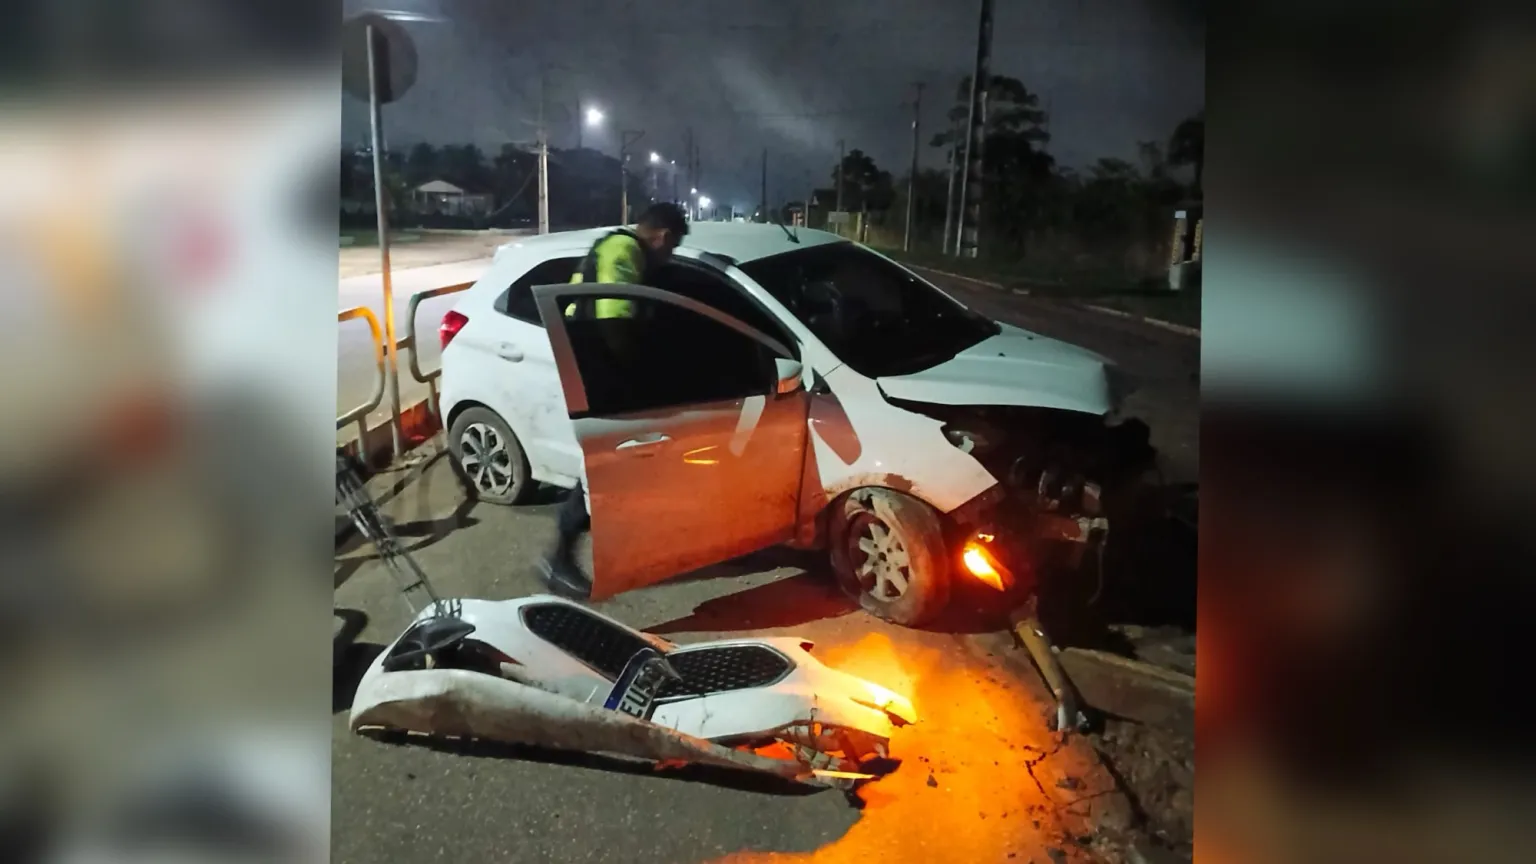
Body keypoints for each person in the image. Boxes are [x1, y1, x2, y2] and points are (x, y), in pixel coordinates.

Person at [539, 202, 690, 599]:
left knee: (618, 465)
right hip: (599, 374)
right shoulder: (624, 252)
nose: (668, 256)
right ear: (663, 236)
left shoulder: (611, 247)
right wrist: (637, 377)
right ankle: (559, 561)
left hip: (589, 367)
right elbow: (614, 321)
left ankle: (626, 548)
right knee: (602, 468)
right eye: (671, 248)